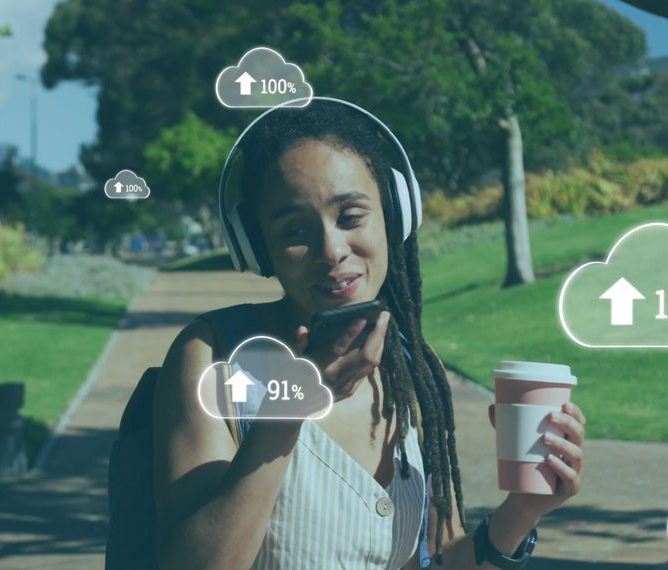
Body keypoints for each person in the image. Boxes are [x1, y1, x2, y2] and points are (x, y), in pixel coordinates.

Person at [151, 99, 587, 569]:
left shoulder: (413, 365)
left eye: (351, 216)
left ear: (394, 216)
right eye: (295, 230)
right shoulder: (214, 356)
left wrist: (521, 511)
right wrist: (287, 414)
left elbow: (441, 559)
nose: (331, 249)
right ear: (258, 247)